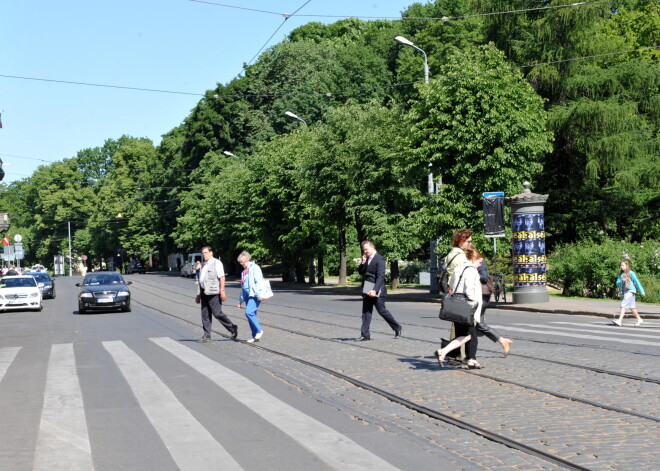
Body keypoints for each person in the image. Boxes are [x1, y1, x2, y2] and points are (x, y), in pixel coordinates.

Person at [434, 247, 484, 369]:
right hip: (467, 307)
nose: (480, 265)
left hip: (456, 307)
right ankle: (444, 351)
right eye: (479, 262)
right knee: (470, 334)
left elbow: (452, 286)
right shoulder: (472, 271)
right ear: (473, 259)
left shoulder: (458, 269)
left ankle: (471, 359)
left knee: (464, 334)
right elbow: (469, 290)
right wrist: (474, 301)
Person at [357, 240, 402, 341]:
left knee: (381, 310)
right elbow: (361, 272)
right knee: (366, 311)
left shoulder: (379, 259)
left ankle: (397, 327)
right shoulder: (367, 258)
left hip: (378, 287)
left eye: (366, 250)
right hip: (368, 285)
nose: (365, 252)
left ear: (372, 247)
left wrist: (375, 290)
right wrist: (363, 262)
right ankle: (365, 335)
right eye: (364, 250)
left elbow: (380, 276)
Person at [194, 246, 238, 342]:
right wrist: (198, 295)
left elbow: (222, 277)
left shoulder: (216, 263)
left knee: (217, 313)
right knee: (205, 314)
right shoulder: (204, 265)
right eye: (203, 253)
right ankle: (207, 335)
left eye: (205, 252)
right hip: (204, 292)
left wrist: (222, 291)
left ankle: (232, 328)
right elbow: (201, 281)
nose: (204, 254)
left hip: (214, 292)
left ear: (211, 253)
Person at [476, 253, 513, 356]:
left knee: (476, 324)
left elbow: (484, 278)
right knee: (475, 325)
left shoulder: (479, 262)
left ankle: (502, 340)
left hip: (480, 297)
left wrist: (471, 274)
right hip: (475, 297)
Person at [237, 251, 265, 343]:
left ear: (247, 259)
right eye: (240, 262)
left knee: (249, 313)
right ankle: (255, 336)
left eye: (242, 262)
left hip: (254, 295)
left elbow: (259, 282)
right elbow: (243, 286)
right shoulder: (244, 271)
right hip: (246, 295)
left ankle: (259, 331)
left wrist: (259, 294)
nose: (241, 263)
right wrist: (240, 300)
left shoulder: (255, 268)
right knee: (252, 316)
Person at [613, 260, 646, 327]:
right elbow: (617, 283)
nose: (621, 267)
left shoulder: (631, 273)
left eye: (623, 265)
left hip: (630, 291)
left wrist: (642, 291)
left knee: (623, 304)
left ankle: (619, 320)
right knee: (632, 307)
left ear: (627, 265)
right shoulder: (621, 274)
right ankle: (639, 319)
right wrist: (622, 280)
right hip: (625, 291)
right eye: (621, 265)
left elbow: (637, 282)